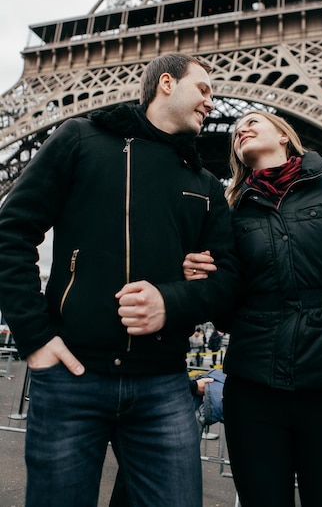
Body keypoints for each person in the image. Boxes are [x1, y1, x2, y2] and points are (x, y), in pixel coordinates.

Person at [0, 53, 240, 507]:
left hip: (164, 385)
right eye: (204, 88)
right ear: (166, 83)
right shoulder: (79, 139)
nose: (212, 100)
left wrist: (170, 302)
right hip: (72, 374)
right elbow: (11, 232)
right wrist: (34, 336)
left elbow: (227, 281)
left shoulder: (206, 184)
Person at [183, 110, 322, 507]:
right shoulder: (232, 213)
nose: (240, 129)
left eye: (253, 121)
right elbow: (230, 315)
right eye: (236, 130)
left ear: (284, 135)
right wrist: (205, 284)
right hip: (253, 394)